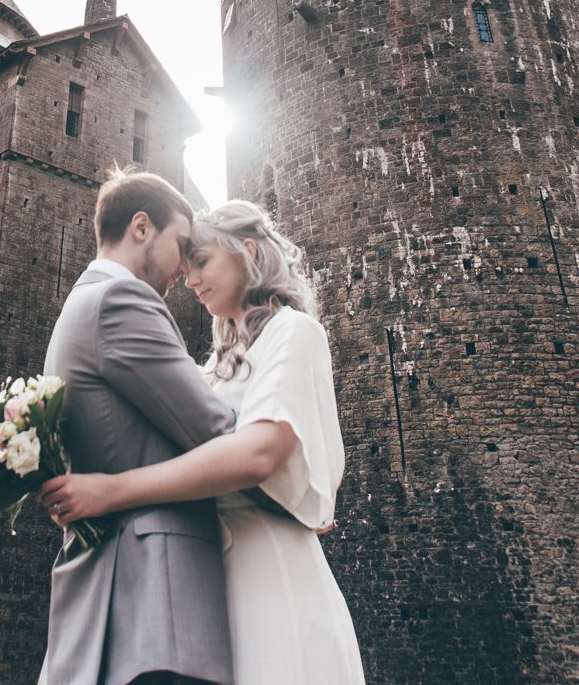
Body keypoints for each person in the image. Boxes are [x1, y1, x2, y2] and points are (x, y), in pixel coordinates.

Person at [41, 199, 365, 685]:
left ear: (247, 251)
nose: (189, 280)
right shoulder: (214, 366)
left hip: (271, 577)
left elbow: (257, 454)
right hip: (207, 588)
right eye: (187, 265)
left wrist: (110, 490)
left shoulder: (294, 333)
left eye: (203, 261)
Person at [37, 169, 238, 685]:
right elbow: (216, 431)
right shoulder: (122, 301)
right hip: (160, 603)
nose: (184, 268)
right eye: (182, 245)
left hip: (119, 603)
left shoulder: (77, 306)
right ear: (142, 227)